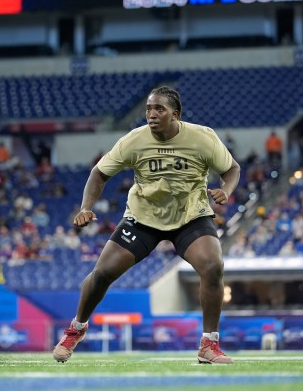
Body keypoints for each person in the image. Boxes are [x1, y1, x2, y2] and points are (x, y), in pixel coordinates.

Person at [52, 86, 240, 364]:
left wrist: (226, 189)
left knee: (213, 266)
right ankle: (75, 329)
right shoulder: (134, 140)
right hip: (144, 218)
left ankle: (208, 345)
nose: (151, 114)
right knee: (102, 273)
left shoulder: (202, 138)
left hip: (190, 216)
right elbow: (99, 174)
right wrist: (86, 208)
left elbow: (232, 169)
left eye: (159, 109)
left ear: (175, 114)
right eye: (149, 109)